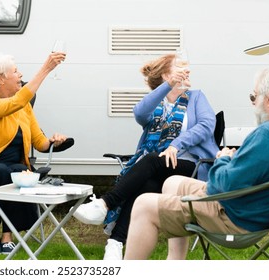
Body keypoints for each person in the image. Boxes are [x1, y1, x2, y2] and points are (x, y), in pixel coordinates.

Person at [123, 66, 269, 260]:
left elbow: (221, 186)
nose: (253, 103)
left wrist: (223, 158)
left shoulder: (267, 135)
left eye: (254, 97)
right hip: (260, 209)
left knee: (143, 205)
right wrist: (236, 160)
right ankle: (174, 264)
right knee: (172, 182)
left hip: (236, 218)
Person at [72, 53, 219, 260]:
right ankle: (115, 244)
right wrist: (168, 86)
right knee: (146, 186)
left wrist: (176, 146)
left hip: (191, 167)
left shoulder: (196, 97)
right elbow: (139, 113)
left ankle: (105, 204)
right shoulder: (156, 102)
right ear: (168, 74)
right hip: (159, 170)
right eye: (181, 66)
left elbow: (206, 126)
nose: (188, 70)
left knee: (151, 160)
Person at [0, 51, 68, 254]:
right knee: (2, 172)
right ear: (1, 79)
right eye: (15, 71)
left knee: (21, 171)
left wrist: (54, 141)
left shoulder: (25, 108)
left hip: (11, 167)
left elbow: (40, 143)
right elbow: (17, 102)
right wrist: (46, 68)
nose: (20, 75)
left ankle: (8, 234)